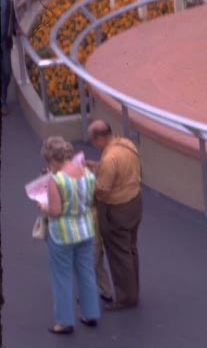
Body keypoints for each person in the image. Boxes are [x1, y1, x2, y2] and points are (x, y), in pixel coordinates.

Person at [41, 135, 102, 334]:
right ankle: (90, 313)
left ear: (53, 159)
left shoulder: (55, 180)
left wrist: (41, 205)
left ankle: (64, 321)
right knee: (86, 272)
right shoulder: (87, 173)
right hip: (85, 229)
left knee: (62, 276)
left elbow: (56, 211)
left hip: (62, 234)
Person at [86, 119, 143, 310]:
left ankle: (127, 298)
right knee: (130, 248)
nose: (94, 145)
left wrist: (84, 180)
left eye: (93, 141)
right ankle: (133, 288)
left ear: (99, 138)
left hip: (116, 211)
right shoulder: (126, 144)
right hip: (134, 203)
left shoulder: (109, 159)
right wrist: (95, 166)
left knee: (119, 255)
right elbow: (120, 173)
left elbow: (101, 189)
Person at [0, 0, 15, 115]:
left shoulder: (7, 2)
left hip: (4, 45)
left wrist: (17, 30)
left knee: (7, 72)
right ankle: (2, 102)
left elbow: (12, 21)